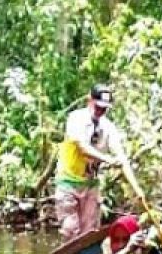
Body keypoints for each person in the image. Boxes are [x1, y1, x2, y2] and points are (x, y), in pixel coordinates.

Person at [54, 83, 141, 240]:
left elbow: (121, 159)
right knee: (71, 229)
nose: (101, 111)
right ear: (90, 100)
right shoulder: (76, 118)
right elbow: (82, 147)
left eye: (104, 108)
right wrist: (107, 159)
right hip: (69, 182)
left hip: (90, 185)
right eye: (98, 107)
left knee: (89, 232)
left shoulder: (108, 128)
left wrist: (137, 189)